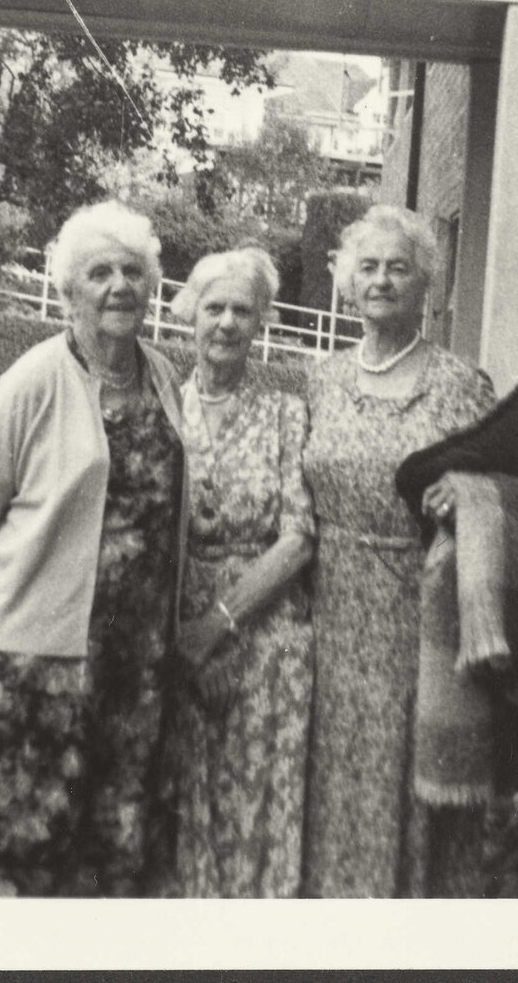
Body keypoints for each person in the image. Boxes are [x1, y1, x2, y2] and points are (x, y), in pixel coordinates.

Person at [0, 200, 188, 896]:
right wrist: (3, 619)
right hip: (31, 675)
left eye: (133, 271)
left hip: (132, 673)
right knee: (7, 863)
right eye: (99, 271)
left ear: (152, 285)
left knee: (105, 863)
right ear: (68, 288)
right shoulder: (34, 379)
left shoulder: (163, 376)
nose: (119, 286)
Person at [301, 202, 497, 897]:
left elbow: (510, 502)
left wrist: (465, 499)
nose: (382, 279)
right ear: (346, 284)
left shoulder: (460, 384)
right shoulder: (319, 380)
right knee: (329, 772)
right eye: (368, 267)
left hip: (417, 618)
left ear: (427, 288)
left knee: (404, 771)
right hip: (327, 614)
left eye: (399, 268)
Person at [168, 247, 315, 898]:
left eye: (242, 310)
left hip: (268, 635)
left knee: (260, 797)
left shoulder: (287, 412)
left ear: (263, 323)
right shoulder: (164, 407)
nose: (226, 322)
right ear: (189, 314)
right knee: (186, 795)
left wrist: (220, 622)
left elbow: (300, 536)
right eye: (214, 306)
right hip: (178, 631)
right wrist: (189, 632)